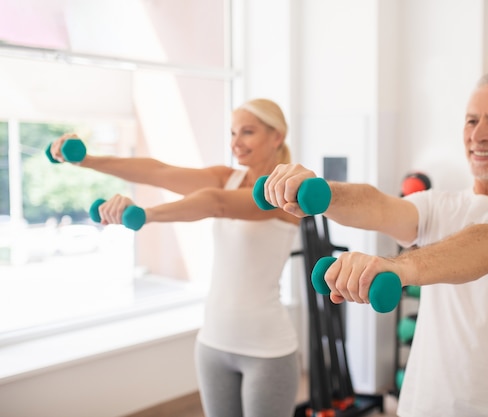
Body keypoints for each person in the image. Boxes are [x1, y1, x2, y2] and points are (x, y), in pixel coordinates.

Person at [261, 72, 488, 417]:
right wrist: (322, 193)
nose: (479, 134)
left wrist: (399, 267)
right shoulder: (439, 205)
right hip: (425, 407)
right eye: (471, 121)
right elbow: (379, 206)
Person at [49, 98, 301, 417]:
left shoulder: (286, 196)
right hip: (213, 342)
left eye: (247, 132)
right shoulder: (228, 177)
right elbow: (159, 171)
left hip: (268, 349)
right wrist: (88, 160)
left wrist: (145, 214)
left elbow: (216, 204)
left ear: (277, 136)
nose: (236, 143)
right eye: (233, 132)